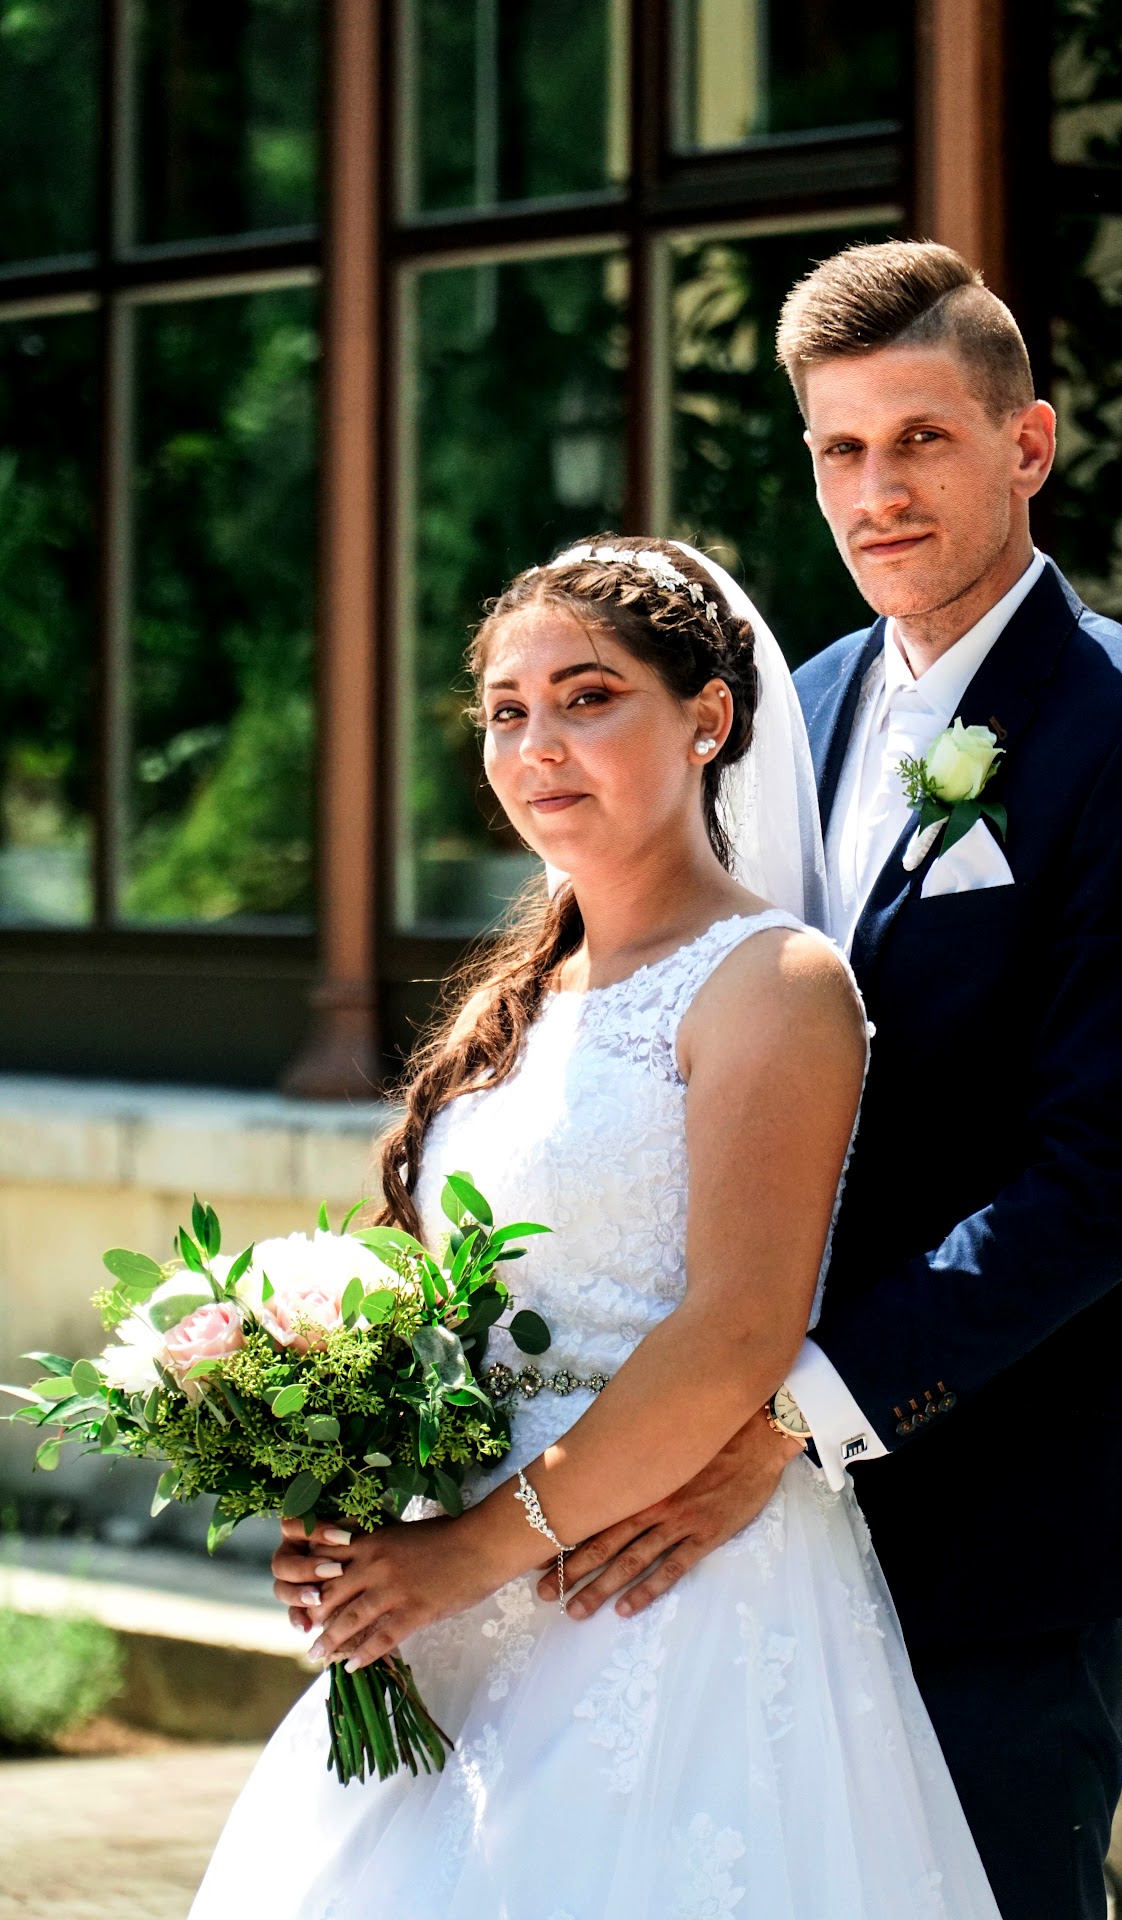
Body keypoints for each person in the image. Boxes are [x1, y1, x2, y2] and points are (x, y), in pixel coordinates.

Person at [543, 243, 1122, 1920]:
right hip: (729, 1532)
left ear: (1029, 445)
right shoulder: (786, 711)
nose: (877, 492)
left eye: (922, 439)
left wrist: (798, 1415)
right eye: (840, 449)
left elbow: (1101, 1177)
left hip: (988, 1515)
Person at [190, 537, 1002, 1917]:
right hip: (450, 1595)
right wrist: (342, 1493)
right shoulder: (517, 997)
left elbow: (739, 1330)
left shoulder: (775, 984)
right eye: (506, 711)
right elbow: (428, 1292)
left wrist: (467, 1556)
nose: (537, 746)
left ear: (707, 719)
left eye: (588, 697)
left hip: (660, 1596)